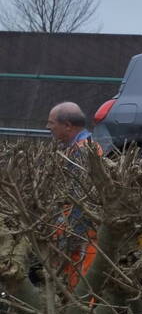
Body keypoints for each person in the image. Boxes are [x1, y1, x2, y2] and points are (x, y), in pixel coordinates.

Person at [46, 102, 102, 288]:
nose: (49, 127)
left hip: (84, 236)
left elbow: (81, 200)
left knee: (81, 290)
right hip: (82, 234)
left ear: (68, 125)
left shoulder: (83, 152)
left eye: (52, 123)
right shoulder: (83, 147)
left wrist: (70, 239)